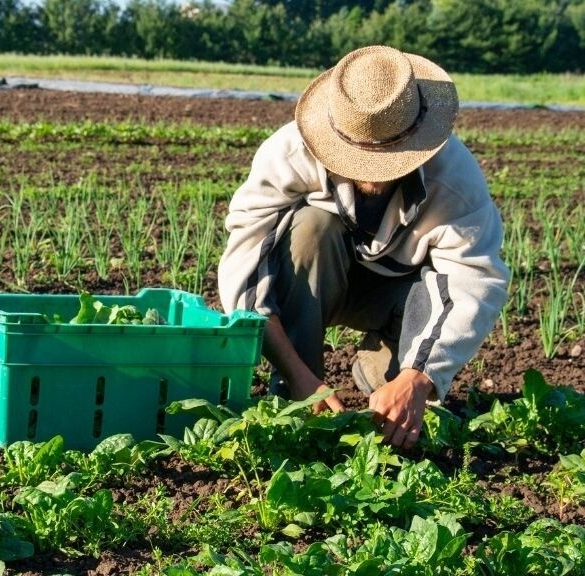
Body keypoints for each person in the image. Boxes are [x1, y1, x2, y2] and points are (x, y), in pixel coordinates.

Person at [217, 45, 509, 449]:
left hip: (397, 295)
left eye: (388, 158)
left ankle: (382, 369)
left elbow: (473, 281)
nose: (372, 174)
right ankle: (295, 397)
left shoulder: (454, 179)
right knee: (310, 228)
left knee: (401, 398)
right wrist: (302, 379)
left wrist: (418, 378)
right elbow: (246, 271)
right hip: (317, 279)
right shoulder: (289, 153)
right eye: (359, 158)